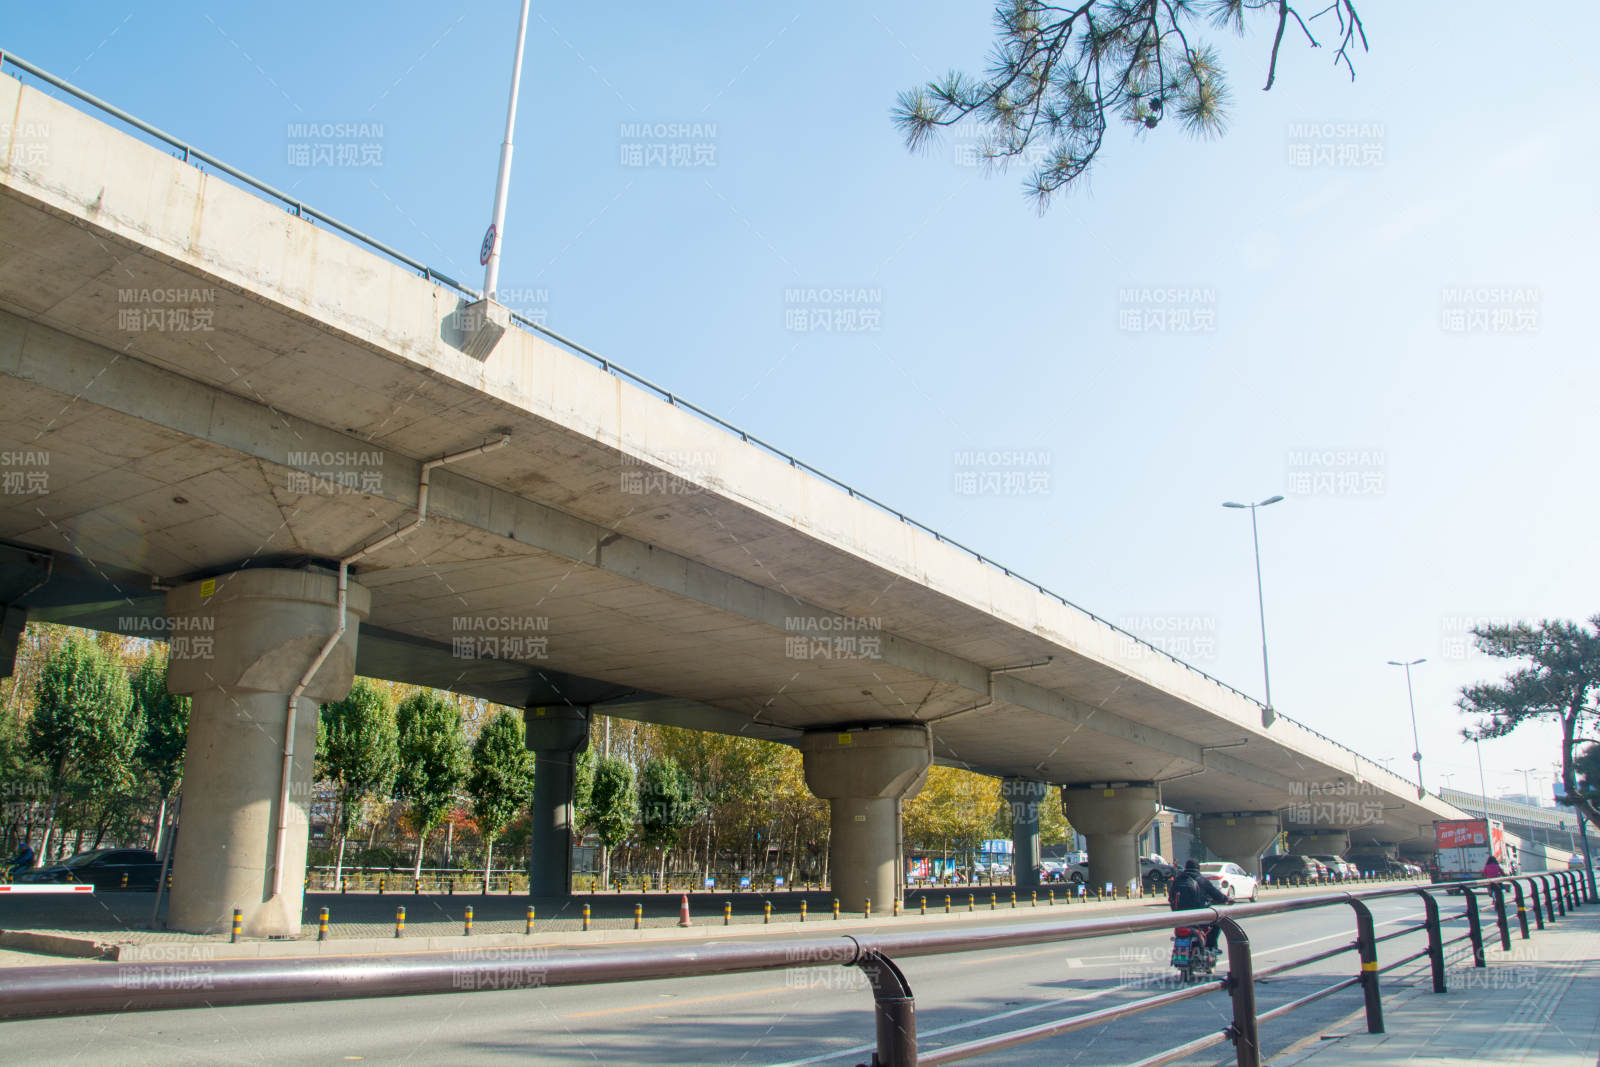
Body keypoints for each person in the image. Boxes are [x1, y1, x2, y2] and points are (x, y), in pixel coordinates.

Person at [1168, 858, 1229, 953]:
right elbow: (1217, 895)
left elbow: (1170, 898)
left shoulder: (1177, 880)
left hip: (1179, 918)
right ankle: (1211, 947)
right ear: (1198, 868)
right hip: (1198, 918)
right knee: (1217, 922)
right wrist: (1226, 899)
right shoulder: (1202, 880)